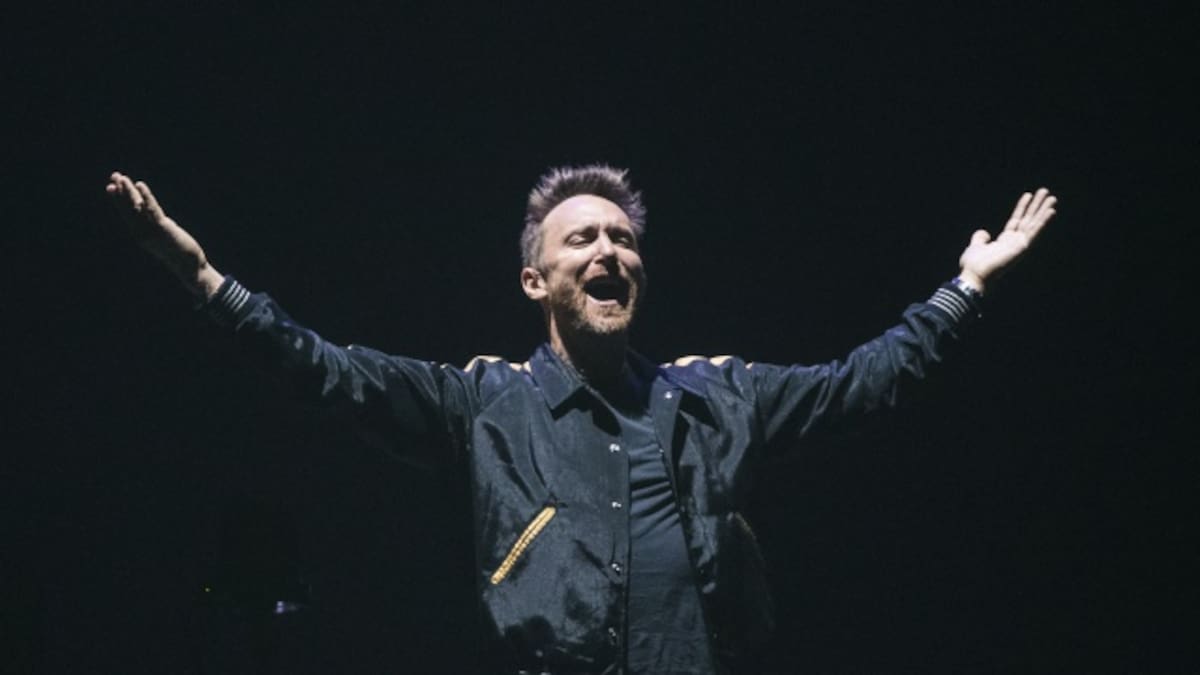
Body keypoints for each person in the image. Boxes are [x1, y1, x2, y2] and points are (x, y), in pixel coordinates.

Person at [106, 166, 1055, 674]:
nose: (609, 250)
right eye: (584, 237)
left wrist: (964, 288)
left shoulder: (716, 396)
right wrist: (204, 280)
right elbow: (328, 373)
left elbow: (860, 384)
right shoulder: (484, 403)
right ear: (536, 280)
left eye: (624, 238)